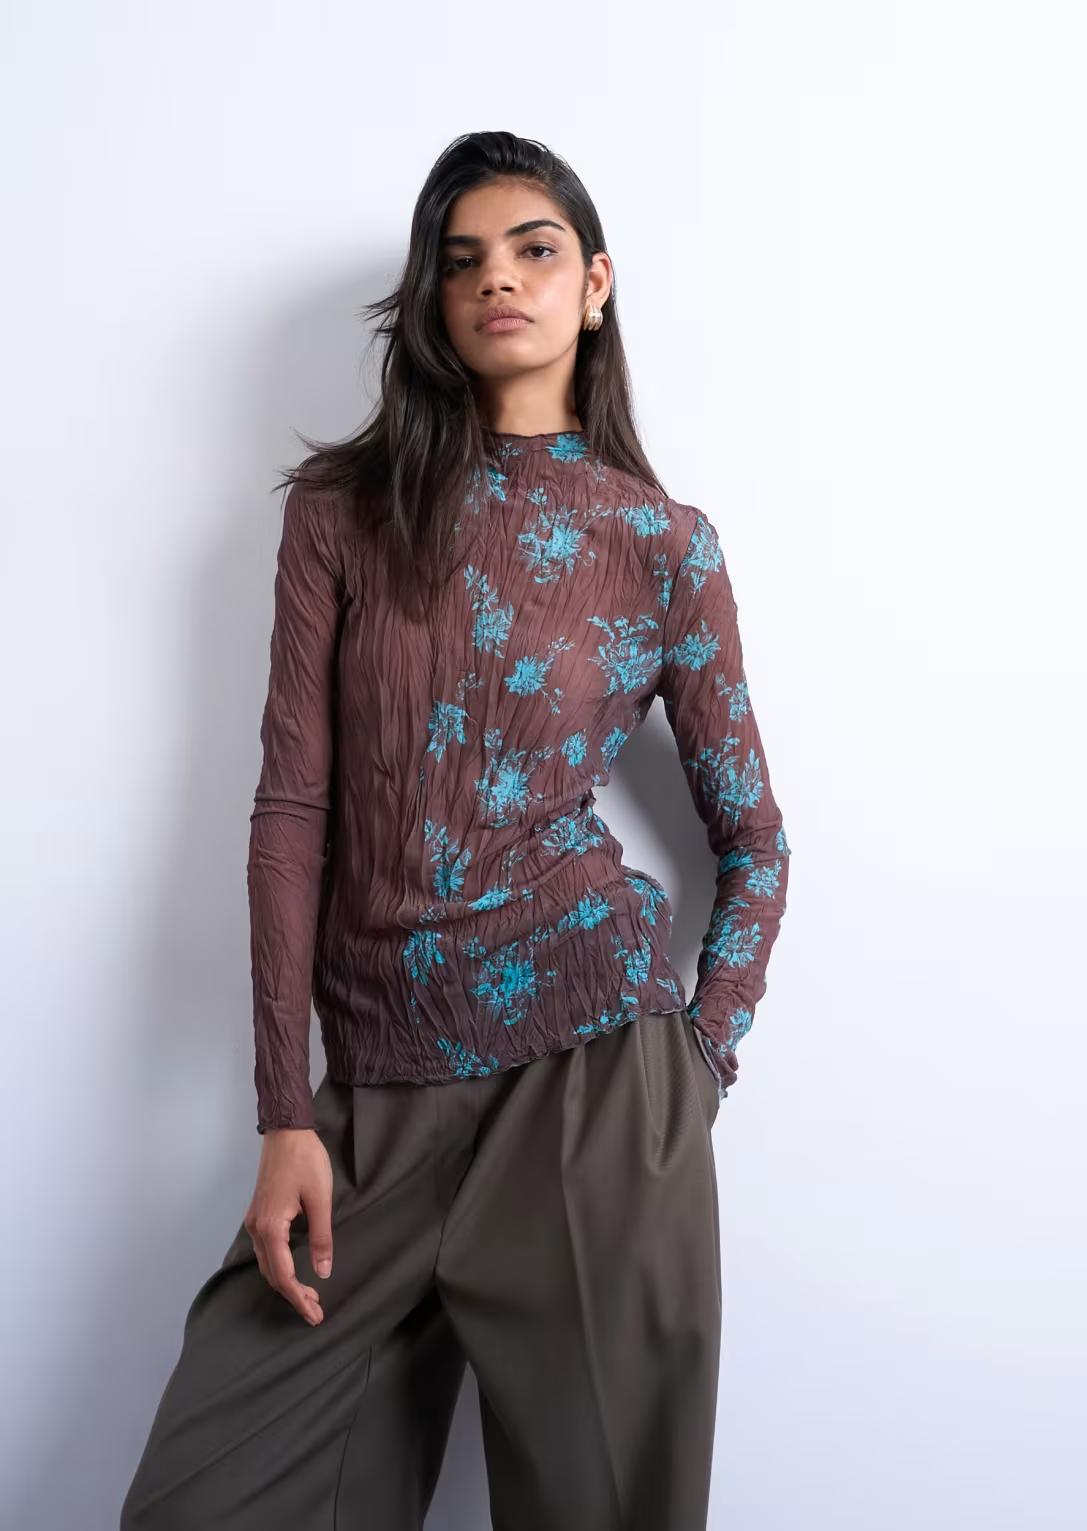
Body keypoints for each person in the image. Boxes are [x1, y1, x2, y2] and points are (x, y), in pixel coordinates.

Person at [120, 129, 790, 1531]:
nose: (498, 279)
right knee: (203, 1501)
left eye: (535, 251)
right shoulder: (341, 516)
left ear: (594, 285)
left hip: (593, 1086)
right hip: (371, 1105)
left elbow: (755, 841)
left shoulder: (665, 545)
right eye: (463, 259)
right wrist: (284, 1109)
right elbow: (292, 808)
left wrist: (698, 1064)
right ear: (432, 299)